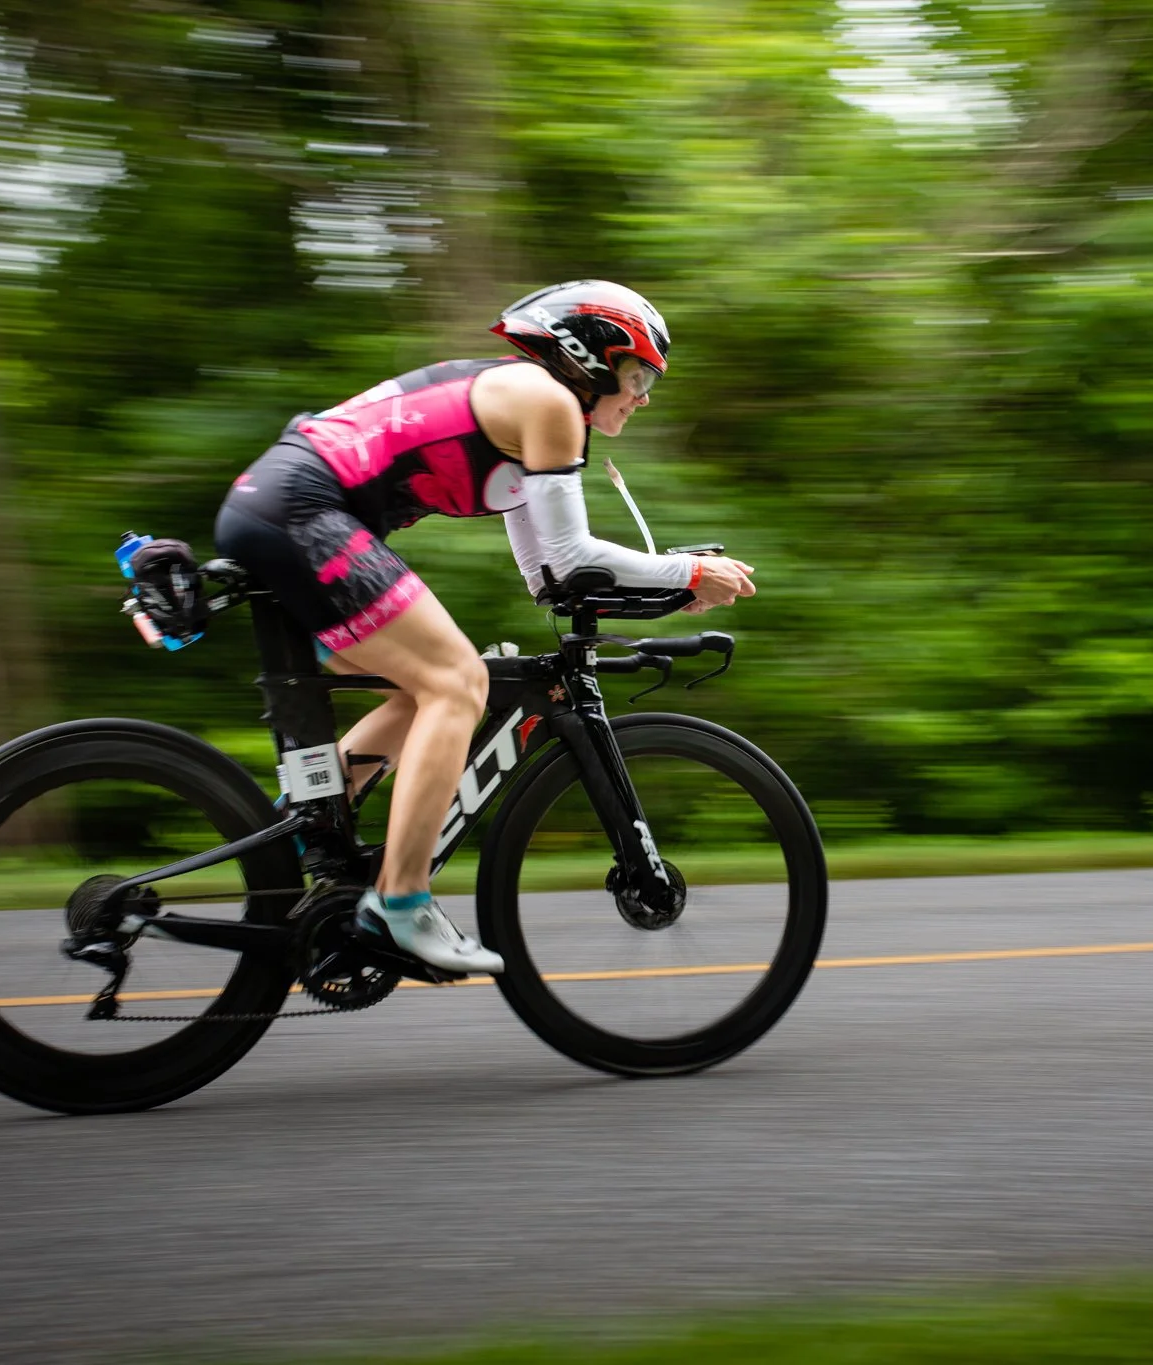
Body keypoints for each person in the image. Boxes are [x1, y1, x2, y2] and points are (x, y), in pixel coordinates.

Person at [213, 281, 755, 975]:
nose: (645, 393)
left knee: (422, 690)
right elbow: (570, 557)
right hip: (302, 510)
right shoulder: (549, 404)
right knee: (457, 681)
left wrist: (672, 590)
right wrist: (683, 573)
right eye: (638, 372)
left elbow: (550, 578)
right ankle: (399, 904)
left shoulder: (526, 404)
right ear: (587, 357)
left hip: (282, 503)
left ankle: (303, 823)